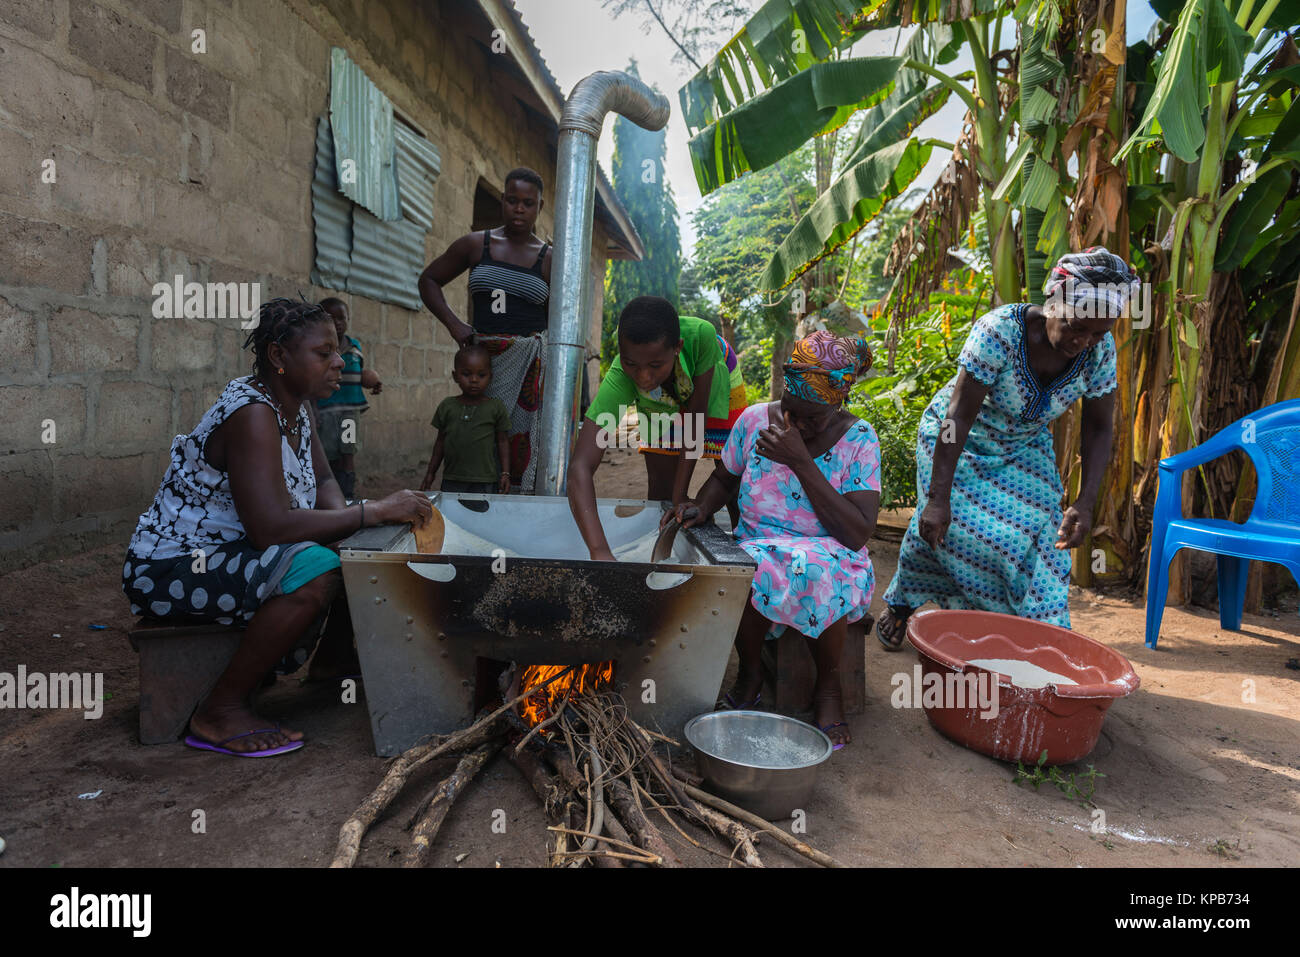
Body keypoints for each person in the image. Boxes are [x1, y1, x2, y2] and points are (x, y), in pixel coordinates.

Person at [122, 298, 432, 757]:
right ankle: (220, 709)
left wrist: (354, 525)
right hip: (172, 567)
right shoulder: (252, 414)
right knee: (316, 568)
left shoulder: (296, 407)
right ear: (278, 357)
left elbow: (325, 480)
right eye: (323, 353)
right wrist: (374, 511)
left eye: (338, 350)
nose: (339, 362)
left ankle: (334, 667)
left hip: (232, 553)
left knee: (363, 548)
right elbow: (269, 528)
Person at [876, 247, 1133, 651]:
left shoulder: (1098, 352)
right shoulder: (999, 331)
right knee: (951, 528)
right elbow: (956, 418)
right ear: (1053, 302)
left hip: (1023, 445)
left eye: (1098, 332)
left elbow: (1099, 429)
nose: (1083, 342)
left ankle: (1042, 640)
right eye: (1075, 326)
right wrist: (938, 497)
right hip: (957, 441)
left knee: (1043, 540)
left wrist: (1085, 502)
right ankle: (903, 604)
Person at [668, 332, 880, 750]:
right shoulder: (753, 420)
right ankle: (750, 674)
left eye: (809, 419)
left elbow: (855, 532)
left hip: (832, 551)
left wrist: (801, 461)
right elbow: (724, 478)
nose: (794, 425)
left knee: (817, 571)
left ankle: (828, 690)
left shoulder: (859, 439)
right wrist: (702, 506)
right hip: (760, 544)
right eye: (789, 411)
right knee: (740, 568)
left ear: (838, 401)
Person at [568, 296, 746, 560]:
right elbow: (580, 467)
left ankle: (747, 555)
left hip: (715, 380)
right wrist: (600, 551)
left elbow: (696, 420)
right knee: (661, 498)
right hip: (666, 397)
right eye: (632, 365)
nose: (643, 378)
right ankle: (664, 561)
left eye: (654, 366)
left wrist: (681, 496)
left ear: (677, 348)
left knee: (731, 478)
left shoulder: (701, 336)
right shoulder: (622, 376)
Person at [418, 168, 551, 492]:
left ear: (539, 207)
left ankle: (513, 515)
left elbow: (560, 317)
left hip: (527, 373)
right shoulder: (477, 245)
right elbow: (429, 280)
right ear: (503, 200)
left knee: (517, 445)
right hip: (483, 366)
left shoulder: (549, 259)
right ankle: (469, 510)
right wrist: (454, 324)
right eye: (512, 200)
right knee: (475, 440)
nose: (519, 209)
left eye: (528, 203)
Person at [420, 343, 513, 494]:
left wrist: (505, 473)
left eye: (481, 375)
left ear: (491, 377)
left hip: (484, 481)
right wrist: (431, 473)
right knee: (452, 516)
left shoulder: (496, 407)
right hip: (452, 479)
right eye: (467, 374)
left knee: (482, 516)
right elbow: (440, 443)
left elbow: (503, 441)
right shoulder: (447, 406)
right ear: (455, 376)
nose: (474, 380)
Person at [314, 297, 382, 500]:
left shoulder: (355, 346)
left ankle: (347, 492)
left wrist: (373, 382)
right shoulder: (321, 350)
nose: (337, 322)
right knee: (328, 454)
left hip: (349, 414)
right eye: (330, 318)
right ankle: (330, 493)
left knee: (348, 451)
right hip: (325, 412)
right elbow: (313, 382)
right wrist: (314, 408)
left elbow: (357, 374)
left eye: (341, 318)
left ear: (348, 319)